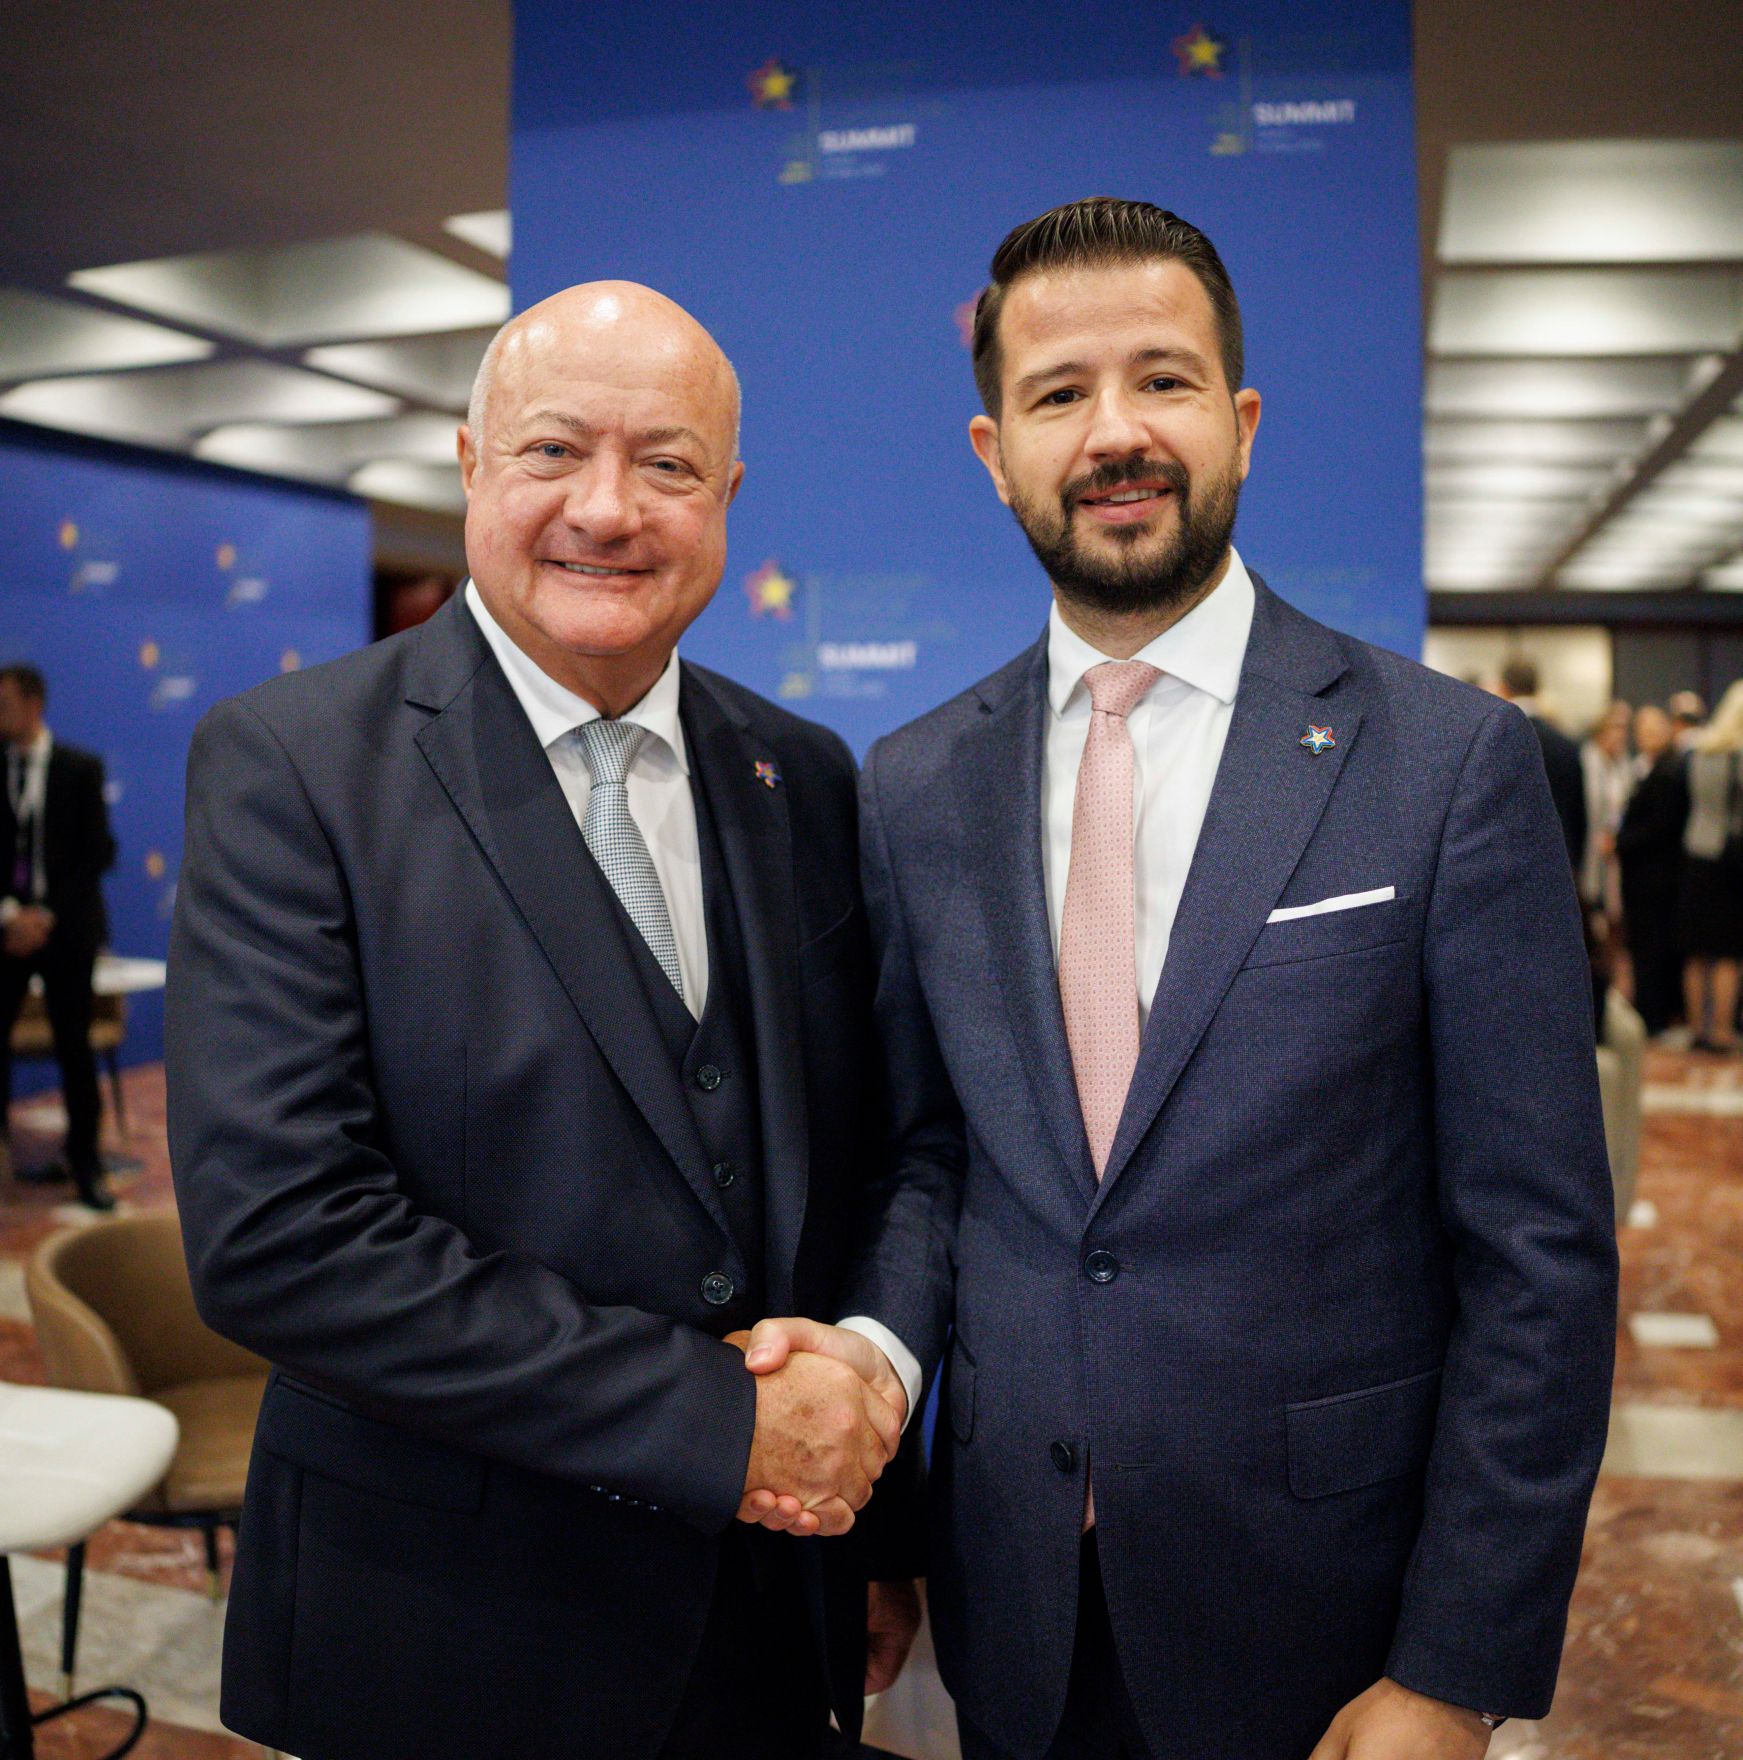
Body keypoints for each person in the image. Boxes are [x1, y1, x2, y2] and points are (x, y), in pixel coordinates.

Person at [741, 198, 1617, 1760]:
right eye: (1056, 394)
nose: (1113, 434)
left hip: (1325, 1617)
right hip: (1007, 1598)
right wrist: (876, 1530)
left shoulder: (1442, 765)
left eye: (1161, 379)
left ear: (1241, 420)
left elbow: (1536, 1259)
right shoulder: (915, 784)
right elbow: (931, 1167)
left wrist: (1454, 1664)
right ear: (990, 449)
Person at [167, 283, 921, 1760]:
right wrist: (719, 1426)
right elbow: (281, 1236)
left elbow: (879, 1153)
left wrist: (868, 1449)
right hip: (448, 1635)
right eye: (552, 453)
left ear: (728, 497)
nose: (608, 508)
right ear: (467, 465)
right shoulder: (293, 767)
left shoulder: (804, 777)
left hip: (773, 1614)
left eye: (667, 465)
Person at [0, 663, 117, 1210]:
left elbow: (97, 854)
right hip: (6, 933)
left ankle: (86, 1165)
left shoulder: (79, 768)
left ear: (33, 704)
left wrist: (45, 916)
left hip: (65, 931)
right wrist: (10, 917)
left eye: (4, 704)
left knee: (74, 1048)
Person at [1616, 705, 1688, 1036]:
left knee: (1652, 948)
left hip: (1654, 878)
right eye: (1642, 730)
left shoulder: (1667, 772)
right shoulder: (1649, 768)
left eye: (1653, 730)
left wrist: (1619, 842)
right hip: (1646, 877)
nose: (1646, 737)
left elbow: (1658, 827)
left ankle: (1653, 1016)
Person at [1679, 679, 1743, 1054]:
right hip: (1731, 859)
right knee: (1728, 950)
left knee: (1697, 948)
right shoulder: (1739, 755)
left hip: (1695, 854)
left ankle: (1695, 1026)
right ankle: (1720, 1030)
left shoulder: (1699, 752)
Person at [1495, 658, 1587, 886]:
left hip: (1505, 866)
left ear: (1503, 687)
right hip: (1559, 863)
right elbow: (1579, 814)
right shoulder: (1567, 745)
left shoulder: (1495, 743)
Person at [1579, 701, 1632, 917]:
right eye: (1615, 727)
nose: (1620, 734)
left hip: (1615, 846)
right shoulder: (1585, 760)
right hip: (1590, 843)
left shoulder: (1625, 764)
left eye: (1624, 728)